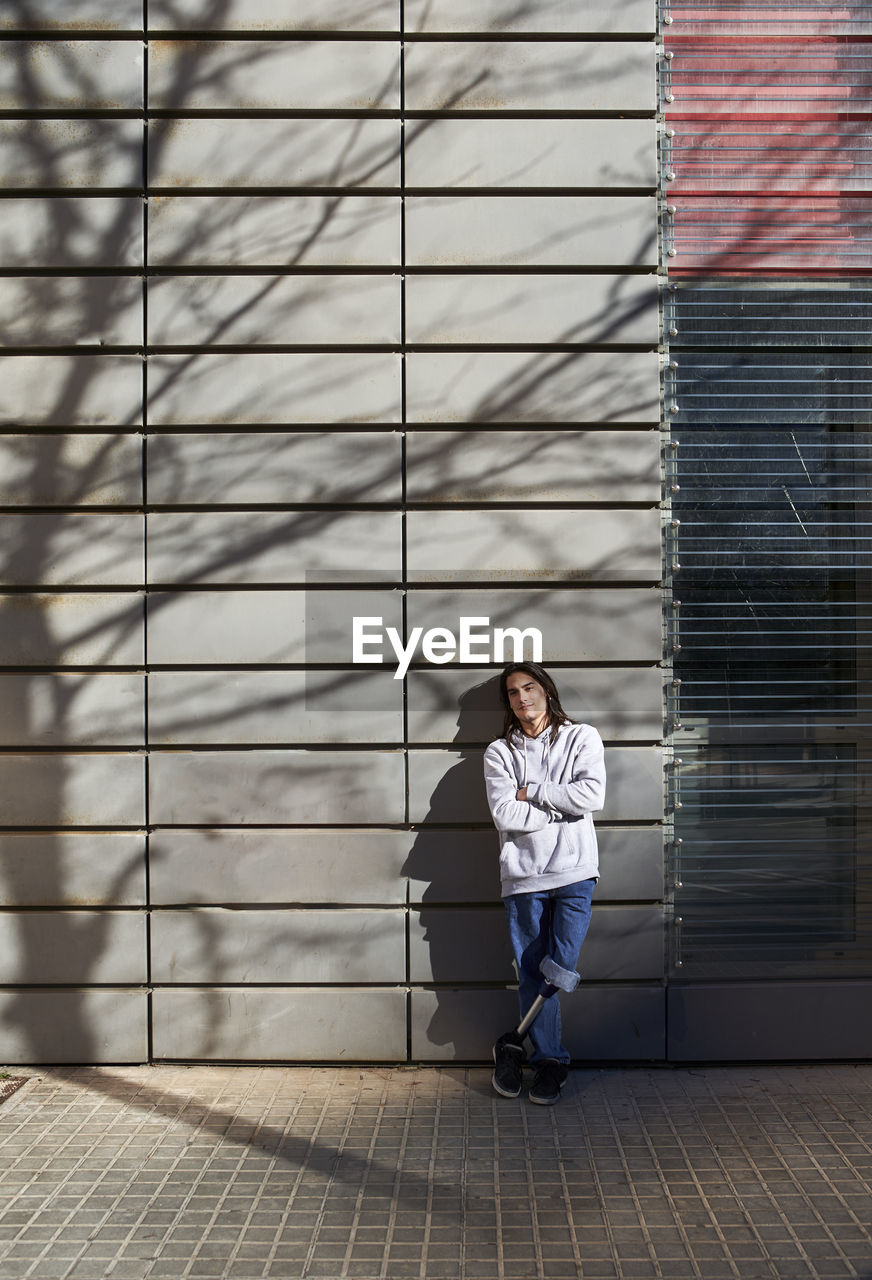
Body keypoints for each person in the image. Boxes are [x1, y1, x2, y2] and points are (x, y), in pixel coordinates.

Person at [483, 661, 606, 1105]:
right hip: (524, 877)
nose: (522, 699)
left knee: (560, 972)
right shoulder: (499, 753)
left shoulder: (581, 737)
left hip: (576, 873)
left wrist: (533, 791)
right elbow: (504, 814)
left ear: (546, 691)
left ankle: (512, 1045)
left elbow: (592, 795)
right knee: (533, 974)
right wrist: (561, 802)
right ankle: (552, 1062)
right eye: (513, 693)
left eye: (529, 688)